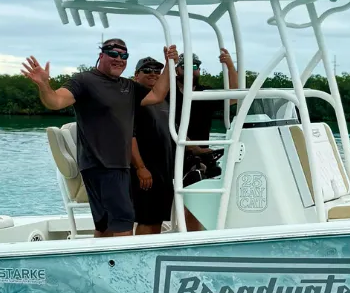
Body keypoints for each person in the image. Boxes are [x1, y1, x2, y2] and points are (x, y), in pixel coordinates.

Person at [21, 39, 176, 238]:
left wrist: (169, 64)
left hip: (114, 166)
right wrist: (44, 85)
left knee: (104, 226)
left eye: (124, 55)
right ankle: (126, 269)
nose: (119, 59)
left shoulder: (128, 87)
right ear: (101, 55)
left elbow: (157, 95)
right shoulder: (84, 81)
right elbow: (56, 101)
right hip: (103, 165)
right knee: (123, 226)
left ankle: (98, 267)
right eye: (113, 53)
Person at [173, 48, 239, 231]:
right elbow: (166, 122)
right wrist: (192, 147)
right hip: (171, 154)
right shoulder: (168, 94)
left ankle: (193, 239)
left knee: (197, 204)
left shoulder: (204, 93)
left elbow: (234, 95)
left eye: (195, 66)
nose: (191, 70)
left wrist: (230, 65)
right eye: (186, 66)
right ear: (177, 70)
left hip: (199, 157)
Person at [129, 56, 174, 235]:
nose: (153, 74)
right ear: (136, 75)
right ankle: (139, 260)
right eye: (147, 70)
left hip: (163, 169)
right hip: (145, 170)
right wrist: (140, 167)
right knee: (147, 218)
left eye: (157, 71)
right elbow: (128, 135)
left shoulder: (163, 99)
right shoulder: (132, 97)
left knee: (157, 218)